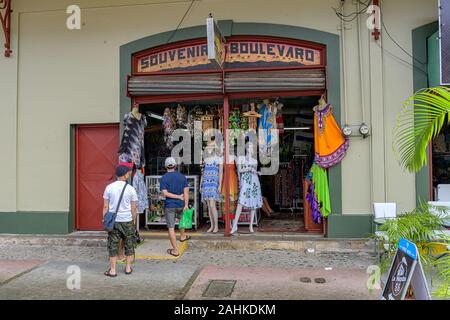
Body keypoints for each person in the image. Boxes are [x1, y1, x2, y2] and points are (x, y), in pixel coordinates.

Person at [102, 165, 138, 277]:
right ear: (124, 174)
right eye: (128, 173)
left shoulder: (109, 187)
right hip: (127, 220)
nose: (129, 174)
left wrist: (104, 219)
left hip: (114, 222)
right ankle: (128, 268)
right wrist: (134, 220)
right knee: (129, 244)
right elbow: (133, 208)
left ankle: (113, 270)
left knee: (113, 244)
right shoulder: (131, 189)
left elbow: (105, 206)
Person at [160, 157, 191, 257]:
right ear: (175, 165)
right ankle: (182, 236)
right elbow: (186, 192)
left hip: (169, 206)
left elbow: (165, 193)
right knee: (181, 222)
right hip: (181, 204)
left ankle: (175, 250)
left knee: (171, 227)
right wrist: (186, 204)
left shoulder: (164, 178)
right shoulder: (182, 177)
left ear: (166, 166)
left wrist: (176, 197)